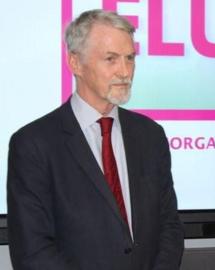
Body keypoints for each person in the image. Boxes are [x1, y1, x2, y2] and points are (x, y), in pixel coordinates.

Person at [7, 9, 184, 270]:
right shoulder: (34, 144)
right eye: (111, 59)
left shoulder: (150, 135)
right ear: (75, 63)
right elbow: (33, 251)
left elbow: (169, 227)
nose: (125, 71)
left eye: (130, 58)